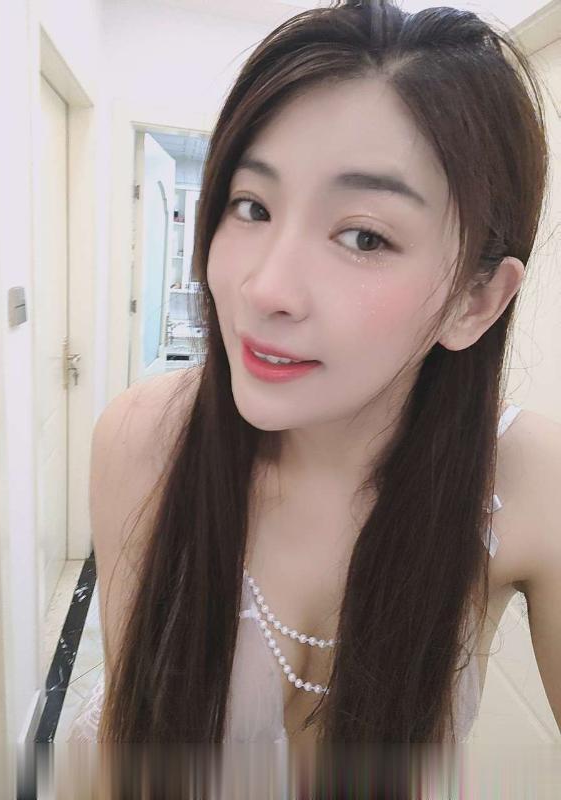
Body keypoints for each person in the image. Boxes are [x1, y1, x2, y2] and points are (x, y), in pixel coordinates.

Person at [67, 0, 560, 793]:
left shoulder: (530, 481)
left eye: (364, 236)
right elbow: (134, 748)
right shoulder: (145, 436)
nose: (266, 289)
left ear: (476, 301)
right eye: (252, 207)